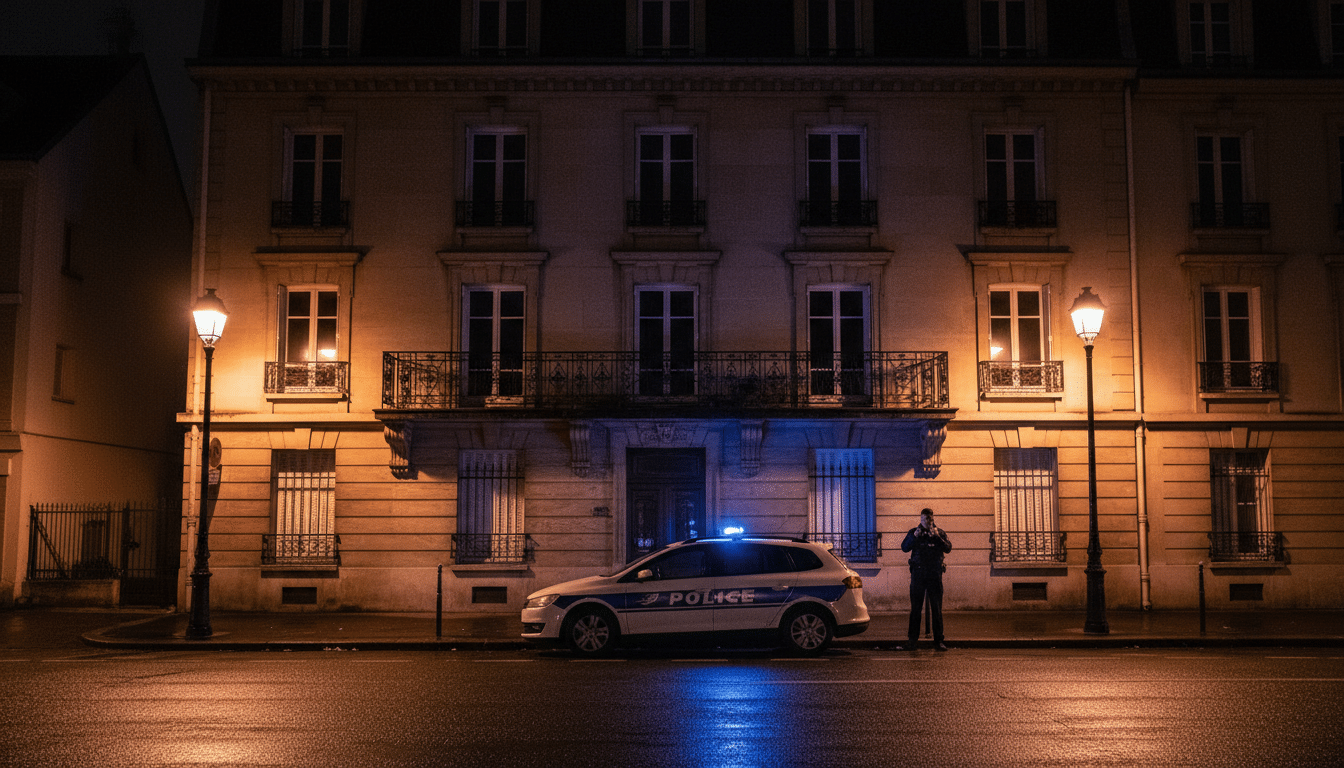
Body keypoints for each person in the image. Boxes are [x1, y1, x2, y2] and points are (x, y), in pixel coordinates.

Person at [899, 508, 952, 651]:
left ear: (932, 519)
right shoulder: (914, 532)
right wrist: (914, 536)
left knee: (936, 608)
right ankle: (912, 641)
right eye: (924, 519)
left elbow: (948, 548)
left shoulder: (939, 532)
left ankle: (939, 640)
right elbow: (904, 547)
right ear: (920, 519)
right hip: (918, 574)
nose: (926, 522)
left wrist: (937, 537)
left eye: (929, 519)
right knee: (915, 608)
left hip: (935, 575)